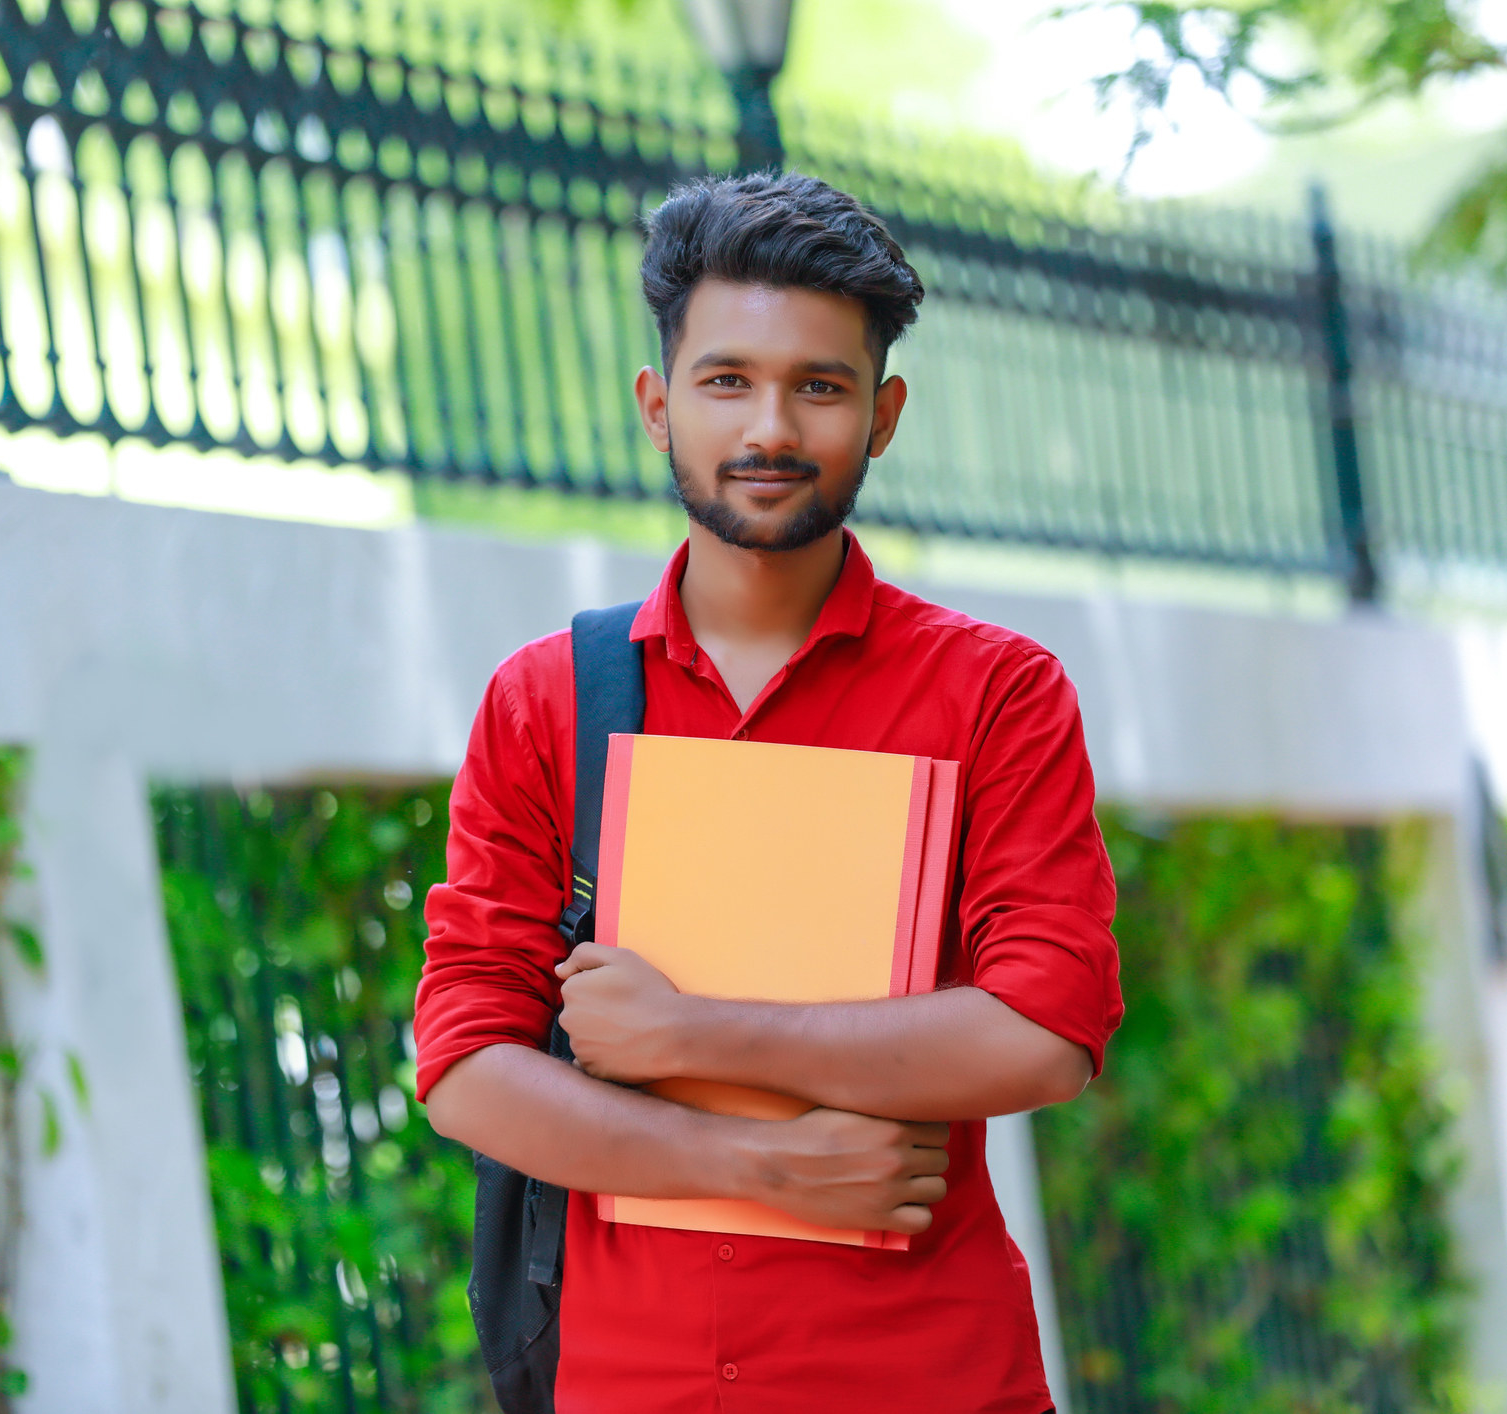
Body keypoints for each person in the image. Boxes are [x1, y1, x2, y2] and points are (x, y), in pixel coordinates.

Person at [413, 172, 1124, 1411]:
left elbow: (1045, 1029)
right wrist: (761, 1164)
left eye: (821, 386)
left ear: (884, 414)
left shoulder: (995, 692)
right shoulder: (547, 703)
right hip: (633, 1383)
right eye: (727, 379)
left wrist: (692, 1032)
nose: (770, 430)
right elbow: (466, 1058)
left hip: (929, 1376)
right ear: (657, 404)